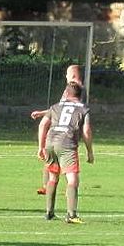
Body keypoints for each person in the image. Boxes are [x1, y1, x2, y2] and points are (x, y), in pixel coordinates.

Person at [37, 81, 93, 224]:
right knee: (72, 180)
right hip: (67, 144)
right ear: (80, 95)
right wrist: (89, 152)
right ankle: (71, 215)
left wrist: (41, 146)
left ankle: (49, 212)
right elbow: (86, 131)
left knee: (52, 177)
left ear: (66, 93)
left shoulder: (55, 106)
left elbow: (42, 124)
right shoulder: (83, 109)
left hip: (50, 142)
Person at [31, 64, 86, 195]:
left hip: (67, 131)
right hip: (63, 129)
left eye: (67, 74)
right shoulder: (71, 89)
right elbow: (60, 108)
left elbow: (69, 110)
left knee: (64, 159)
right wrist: (43, 113)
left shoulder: (76, 90)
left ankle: (68, 188)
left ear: (73, 75)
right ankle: (48, 186)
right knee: (51, 153)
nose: (66, 76)